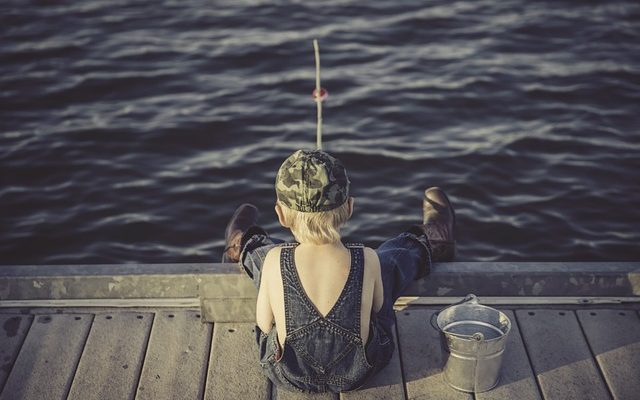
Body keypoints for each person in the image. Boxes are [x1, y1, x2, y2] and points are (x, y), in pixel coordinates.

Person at [221, 149, 455, 393]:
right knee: (384, 266)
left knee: (267, 261)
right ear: (350, 207)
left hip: (289, 373)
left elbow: (265, 324)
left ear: (280, 215)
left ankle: (245, 243)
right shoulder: (368, 257)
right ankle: (428, 241)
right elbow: (378, 309)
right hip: (360, 371)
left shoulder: (274, 260)